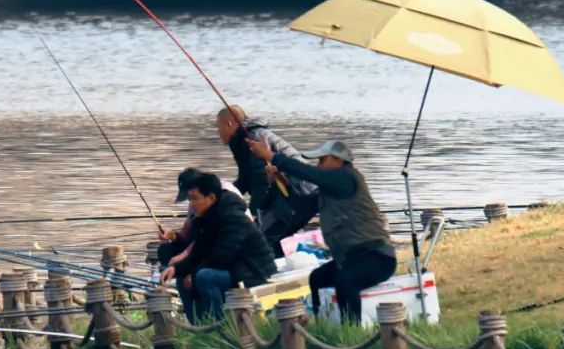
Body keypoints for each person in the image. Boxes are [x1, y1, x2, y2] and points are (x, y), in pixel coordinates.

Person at [247, 138, 396, 324]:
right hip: (351, 258)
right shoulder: (328, 192)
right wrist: (281, 181)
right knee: (317, 278)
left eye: (322, 160)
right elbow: (299, 207)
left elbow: (308, 173)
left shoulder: (347, 177)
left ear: (338, 160)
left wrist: (271, 156)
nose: (319, 165)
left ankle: (352, 334)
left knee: (346, 281)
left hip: (376, 256)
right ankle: (322, 325)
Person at [159, 172, 275, 322]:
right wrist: (177, 269)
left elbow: (222, 256)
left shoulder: (232, 215)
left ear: (211, 198)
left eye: (195, 199)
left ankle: (219, 327)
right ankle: (199, 327)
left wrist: (193, 274)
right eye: (190, 199)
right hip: (233, 268)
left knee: (204, 277)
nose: (191, 204)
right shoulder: (208, 215)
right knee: (182, 278)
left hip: (252, 269)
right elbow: (199, 250)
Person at [217, 106, 317, 258]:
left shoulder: (253, 138)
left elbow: (261, 183)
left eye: (219, 126)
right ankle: (284, 260)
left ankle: (272, 270)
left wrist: (253, 214)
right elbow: (245, 180)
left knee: (263, 237)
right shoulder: (242, 139)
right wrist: (221, 196)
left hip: (298, 192)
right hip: (290, 193)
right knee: (268, 234)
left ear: (229, 124)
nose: (218, 132)